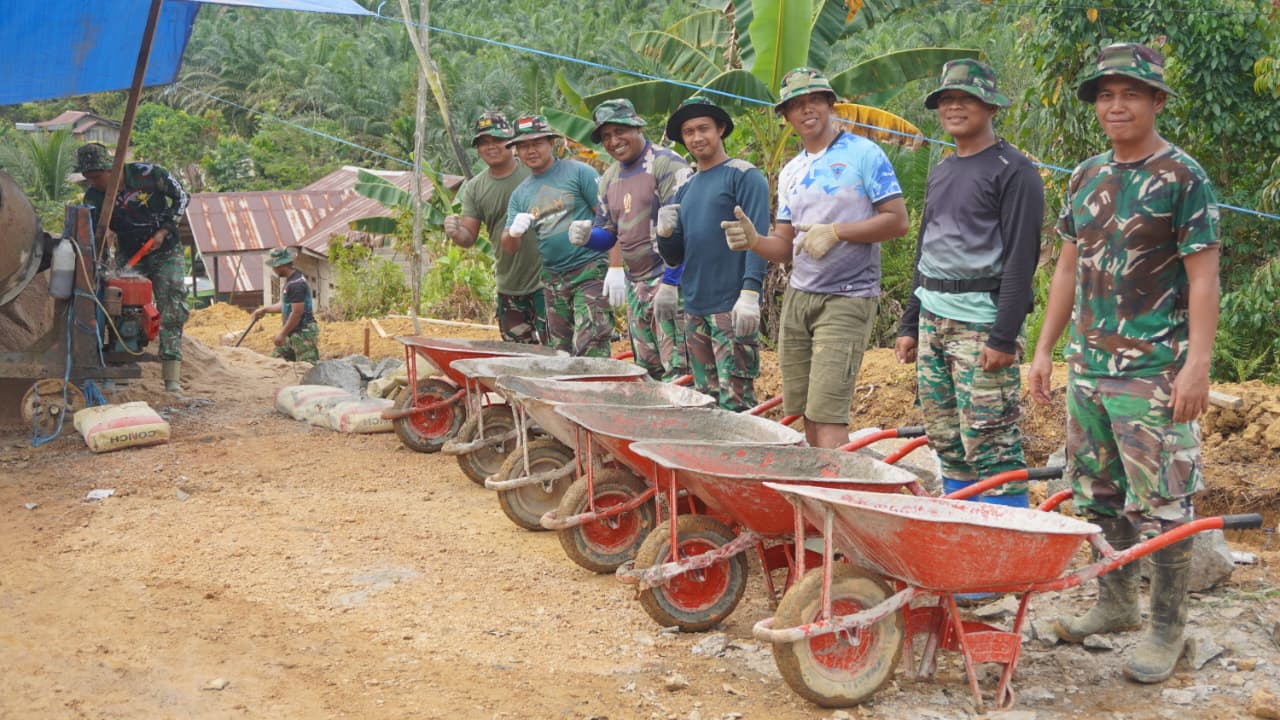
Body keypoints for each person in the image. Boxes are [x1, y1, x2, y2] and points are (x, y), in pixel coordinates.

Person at [1029, 43, 1220, 684]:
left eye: (1130, 93)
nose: (1116, 105)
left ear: (1156, 100)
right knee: (1098, 491)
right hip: (1089, 366)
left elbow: (1204, 278)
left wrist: (1196, 366)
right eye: (1106, 95)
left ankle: (1167, 628)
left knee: (1165, 501)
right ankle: (1115, 603)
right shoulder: (1086, 175)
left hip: (1155, 371)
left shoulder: (1184, 178)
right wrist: (1045, 349)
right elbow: (1066, 268)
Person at [722, 68, 908, 446]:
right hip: (800, 295)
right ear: (787, 116)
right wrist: (755, 241)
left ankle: (837, 483)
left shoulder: (863, 153)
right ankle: (817, 479)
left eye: (815, 101)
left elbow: (898, 221)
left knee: (828, 412)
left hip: (847, 296)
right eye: (797, 105)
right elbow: (784, 247)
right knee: (805, 409)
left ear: (829, 105)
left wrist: (837, 231)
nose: (807, 110)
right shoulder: (792, 171)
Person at [894, 59, 1045, 507]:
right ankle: (962, 532)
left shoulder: (1014, 170)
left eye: (966, 99)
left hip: (981, 325)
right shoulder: (942, 170)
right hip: (934, 322)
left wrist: (1003, 336)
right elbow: (926, 249)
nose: (954, 107)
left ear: (991, 107)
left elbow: (1021, 260)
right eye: (947, 99)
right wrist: (909, 323)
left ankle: (1006, 539)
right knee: (946, 439)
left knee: (991, 441)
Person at [656, 96, 769, 411]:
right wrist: (664, 235)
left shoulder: (743, 175)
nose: (696, 137)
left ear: (720, 129)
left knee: (736, 400)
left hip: (730, 305)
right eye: (688, 132)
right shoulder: (686, 188)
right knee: (705, 399)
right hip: (695, 305)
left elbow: (758, 238)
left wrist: (750, 293)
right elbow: (676, 256)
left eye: (703, 128)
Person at [569, 99, 691, 380]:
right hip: (636, 285)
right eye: (606, 136)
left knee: (679, 369)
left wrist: (671, 282)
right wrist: (587, 237)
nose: (613, 141)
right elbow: (608, 232)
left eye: (619, 131)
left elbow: (685, 230)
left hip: (669, 280)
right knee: (647, 369)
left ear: (637, 127)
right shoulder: (610, 177)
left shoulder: (667, 164)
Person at [77, 142, 190, 392]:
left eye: (96, 176)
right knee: (118, 308)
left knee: (173, 305)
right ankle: (121, 369)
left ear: (111, 169)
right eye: (88, 178)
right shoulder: (93, 197)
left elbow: (182, 197)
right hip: (129, 254)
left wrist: (163, 231)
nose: (93, 182)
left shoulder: (149, 174)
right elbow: (95, 236)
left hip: (165, 250)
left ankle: (171, 377)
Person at [502, 115, 612, 357]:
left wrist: (616, 266)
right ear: (516, 150)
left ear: (551, 143)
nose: (530, 150)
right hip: (553, 278)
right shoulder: (520, 194)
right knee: (560, 351)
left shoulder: (579, 172)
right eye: (523, 146)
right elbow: (509, 246)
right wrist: (513, 232)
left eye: (537, 143)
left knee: (590, 342)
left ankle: (597, 381)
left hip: (589, 269)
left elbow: (610, 219)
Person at [444, 111, 546, 345]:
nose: (491, 147)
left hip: (547, 281)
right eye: (484, 142)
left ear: (511, 142)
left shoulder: (534, 172)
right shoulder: (475, 188)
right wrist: (455, 231)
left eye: (497, 140)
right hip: (509, 284)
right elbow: (468, 236)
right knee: (516, 354)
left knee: (558, 350)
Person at [251, 247, 320, 363]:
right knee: (276, 362)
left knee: (307, 367)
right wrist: (264, 310)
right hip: (292, 331)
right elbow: (286, 305)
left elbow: (297, 312)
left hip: (303, 333)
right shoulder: (291, 280)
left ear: (281, 265)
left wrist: (282, 334)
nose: (273, 269)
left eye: (274, 266)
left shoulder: (296, 284)